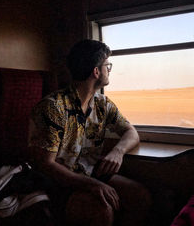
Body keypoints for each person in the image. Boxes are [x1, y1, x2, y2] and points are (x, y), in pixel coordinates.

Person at [28, 39, 151, 226]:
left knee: (141, 197)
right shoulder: (53, 108)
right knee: (101, 210)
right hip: (57, 183)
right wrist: (93, 185)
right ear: (95, 71)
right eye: (107, 65)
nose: (109, 70)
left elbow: (130, 132)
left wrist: (117, 152)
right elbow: (46, 165)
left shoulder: (102, 104)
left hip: (89, 173)